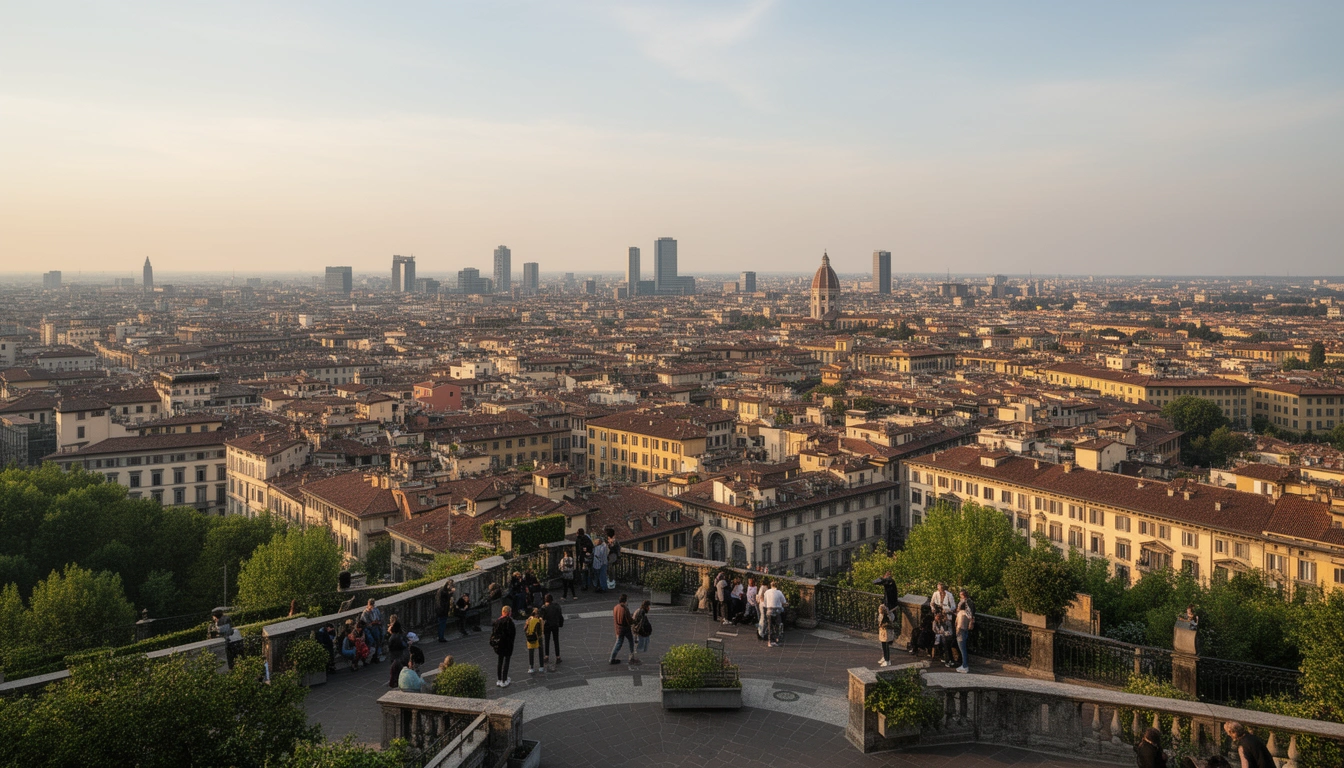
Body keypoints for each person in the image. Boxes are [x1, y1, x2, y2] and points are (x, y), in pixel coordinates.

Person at [489, 605, 516, 687]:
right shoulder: (509, 622)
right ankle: (505, 679)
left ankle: (499, 679)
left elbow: (494, 633)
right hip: (507, 644)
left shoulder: (497, 621)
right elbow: (512, 634)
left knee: (500, 661)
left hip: (499, 644)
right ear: (509, 612)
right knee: (506, 661)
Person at [609, 593, 636, 664]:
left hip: (619, 628)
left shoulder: (615, 607)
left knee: (618, 643)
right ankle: (631, 655)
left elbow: (615, 619)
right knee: (631, 640)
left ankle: (612, 658)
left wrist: (616, 631)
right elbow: (629, 620)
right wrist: (634, 620)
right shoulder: (625, 609)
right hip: (625, 628)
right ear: (625, 601)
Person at [541, 593, 564, 668]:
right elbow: (560, 615)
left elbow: (543, 617)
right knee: (556, 640)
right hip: (555, 625)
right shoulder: (557, 606)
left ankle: (546, 656)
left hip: (547, 625)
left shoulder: (544, 607)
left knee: (547, 640)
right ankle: (558, 656)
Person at [762, 579, 787, 646]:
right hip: (777, 611)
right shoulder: (779, 592)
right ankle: (777, 639)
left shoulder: (767, 592)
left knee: (770, 626)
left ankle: (769, 641)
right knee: (777, 625)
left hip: (769, 610)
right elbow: (784, 602)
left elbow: (765, 603)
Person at [523, 607, 545, 674]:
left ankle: (531, 667)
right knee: (540, 651)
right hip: (538, 637)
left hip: (530, 637)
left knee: (531, 652)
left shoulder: (529, 619)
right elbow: (542, 629)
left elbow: (525, 629)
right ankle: (541, 667)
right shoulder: (540, 619)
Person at [954, 599, 973, 673]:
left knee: (962, 650)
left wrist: (957, 631)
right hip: (965, 631)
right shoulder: (967, 614)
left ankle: (965, 665)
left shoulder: (961, 614)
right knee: (964, 649)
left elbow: (959, 625)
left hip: (960, 632)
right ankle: (964, 665)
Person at [877, 602, 897, 667]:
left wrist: (888, 614)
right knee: (883, 645)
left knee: (886, 646)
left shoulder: (889, 615)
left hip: (887, 631)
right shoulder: (882, 614)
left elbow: (891, 619)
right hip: (883, 631)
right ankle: (885, 657)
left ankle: (887, 660)